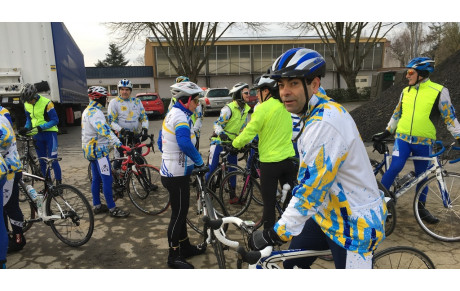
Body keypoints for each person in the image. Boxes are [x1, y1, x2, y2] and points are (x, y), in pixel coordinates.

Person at [248, 47, 386, 269]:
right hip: (326, 214)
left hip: (354, 224)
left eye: (293, 83)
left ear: (314, 84)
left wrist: (276, 233)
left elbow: (309, 191)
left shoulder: (325, 123)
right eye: (281, 85)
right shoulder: (312, 112)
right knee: (293, 263)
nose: (284, 92)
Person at [373, 57, 460, 224]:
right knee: (396, 166)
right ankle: (379, 206)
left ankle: (421, 209)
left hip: (424, 142)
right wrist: (386, 132)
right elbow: (397, 113)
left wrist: (459, 136)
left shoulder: (439, 91)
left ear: (422, 73)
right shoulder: (406, 91)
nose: (407, 75)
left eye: (410, 72)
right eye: (407, 72)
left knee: (423, 176)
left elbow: (450, 118)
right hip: (403, 139)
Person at [232, 74, 296, 229]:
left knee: (269, 205)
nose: (256, 95)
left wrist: (234, 144)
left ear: (266, 91)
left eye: (258, 91)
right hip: (289, 161)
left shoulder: (263, 109)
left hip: (270, 164)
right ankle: (292, 234)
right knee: (291, 203)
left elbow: (249, 131)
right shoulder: (286, 106)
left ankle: (268, 239)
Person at [158, 81, 207, 269]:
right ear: (186, 100)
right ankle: (173, 256)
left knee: (181, 212)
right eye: (196, 100)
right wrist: (199, 162)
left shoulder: (174, 113)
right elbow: (185, 143)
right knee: (178, 215)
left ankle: (185, 248)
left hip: (174, 172)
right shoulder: (180, 117)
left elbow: (161, 144)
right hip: (176, 176)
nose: (198, 104)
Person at [82, 86, 130, 218]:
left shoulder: (88, 110)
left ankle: (97, 205)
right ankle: (112, 208)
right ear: (99, 98)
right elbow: (105, 131)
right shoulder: (95, 113)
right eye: (105, 98)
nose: (106, 100)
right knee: (107, 179)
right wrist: (119, 144)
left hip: (90, 151)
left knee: (96, 179)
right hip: (99, 152)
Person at [205, 82, 251, 201]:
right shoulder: (228, 109)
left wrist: (245, 142)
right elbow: (217, 125)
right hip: (219, 142)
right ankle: (204, 192)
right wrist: (222, 134)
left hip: (232, 143)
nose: (248, 95)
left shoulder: (245, 110)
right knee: (212, 167)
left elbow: (243, 129)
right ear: (238, 94)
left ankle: (232, 195)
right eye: (246, 93)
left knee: (233, 169)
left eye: (248, 92)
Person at [18, 83, 62, 185]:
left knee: (53, 160)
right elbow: (29, 119)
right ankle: (48, 185)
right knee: (42, 161)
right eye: (27, 101)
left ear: (34, 95)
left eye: (30, 99)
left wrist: (41, 127)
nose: (28, 102)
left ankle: (59, 185)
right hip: (37, 135)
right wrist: (26, 128)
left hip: (50, 134)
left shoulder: (47, 103)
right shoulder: (26, 104)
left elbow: (55, 120)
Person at [107, 78, 149, 171]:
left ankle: (145, 181)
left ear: (130, 91)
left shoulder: (137, 102)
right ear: (119, 90)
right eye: (122, 89)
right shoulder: (114, 102)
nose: (124, 92)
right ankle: (117, 181)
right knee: (119, 159)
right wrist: (121, 130)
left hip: (135, 135)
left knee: (139, 159)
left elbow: (144, 117)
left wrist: (145, 129)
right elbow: (111, 121)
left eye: (127, 89)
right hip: (121, 136)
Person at [0, 105, 26, 252]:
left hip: (9, 170)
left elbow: (6, 138)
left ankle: (18, 239)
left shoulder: (1, 118)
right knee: (4, 207)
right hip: (7, 169)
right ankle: (7, 237)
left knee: (11, 208)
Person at [167, 76, 203, 150]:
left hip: (193, 130)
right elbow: (169, 112)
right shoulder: (174, 98)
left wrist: (194, 129)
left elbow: (199, 116)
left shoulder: (194, 98)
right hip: (179, 130)